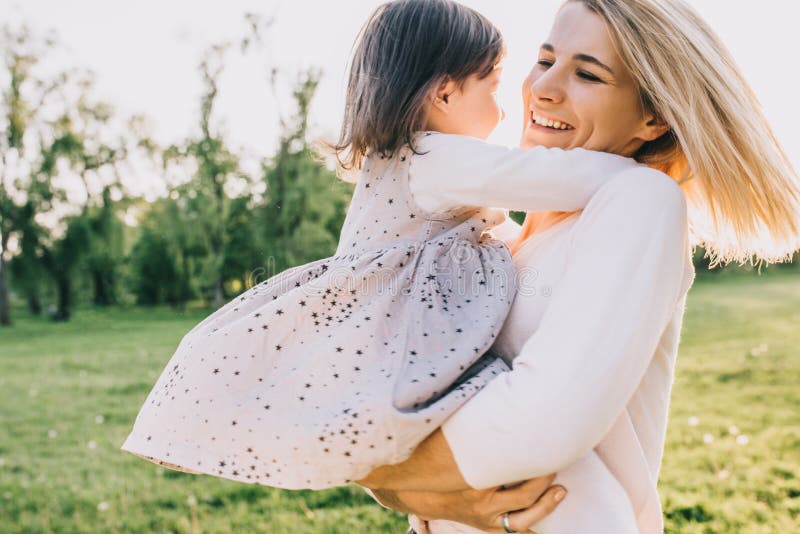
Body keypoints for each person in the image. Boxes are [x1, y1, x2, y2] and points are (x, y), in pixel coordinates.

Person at [119, 0, 644, 494]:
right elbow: (556, 178)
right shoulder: (437, 156)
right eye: (493, 86)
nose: (506, 110)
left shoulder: (401, 158)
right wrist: (643, 175)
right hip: (406, 331)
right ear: (444, 94)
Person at [357, 1, 800, 533]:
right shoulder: (493, 243)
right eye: (544, 61)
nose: (545, 87)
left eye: (587, 73)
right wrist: (395, 483)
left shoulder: (642, 200)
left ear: (653, 117)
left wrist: (390, 476)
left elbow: (540, 422)